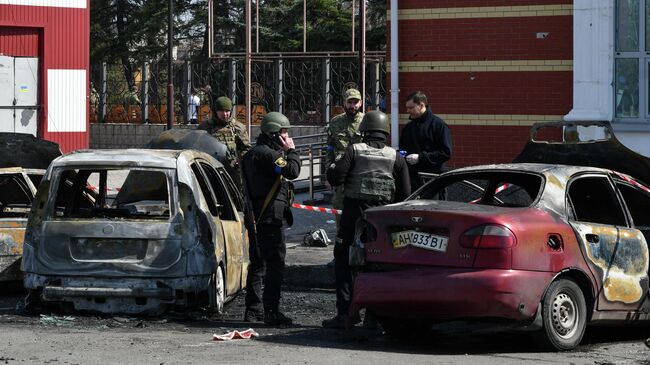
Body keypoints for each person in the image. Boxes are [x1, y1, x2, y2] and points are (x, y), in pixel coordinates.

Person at [322, 110, 411, 329]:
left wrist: (333, 167)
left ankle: (345, 314)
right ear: (385, 131)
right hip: (381, 219)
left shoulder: (355, 150)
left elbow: (336, 177)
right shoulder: (395, 156)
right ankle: (375, 315)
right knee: (378, 264)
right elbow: (406, 193)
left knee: (342, 260)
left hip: (353, 214)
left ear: (364, 130)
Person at [241, 112, 300, 326]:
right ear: (274, 133)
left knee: (257, 263)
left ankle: (253, 310)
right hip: (270, 218)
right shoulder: (268, 155)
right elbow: (292, 170)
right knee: (275, 264)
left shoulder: (252, 153)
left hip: (257, 216)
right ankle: (271, 311)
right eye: (284, 132)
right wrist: (291, 150)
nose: (286, 136)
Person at [325, 88, 364, 266]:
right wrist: (328, 175)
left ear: (361, 103)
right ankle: (339, 256)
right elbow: (330, 150)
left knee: (361, 218)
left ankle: (361, 255)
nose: (353, 105)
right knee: (340, 216)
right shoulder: (335, 123)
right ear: (344, 103)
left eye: (356, 102)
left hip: (360, 176)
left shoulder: (367, 121)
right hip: (341, 177)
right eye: (350, 102)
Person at [399, 91, 452, 192]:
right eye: (407, 107)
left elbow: (446, 153)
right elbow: (403, 150)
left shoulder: (438, 125)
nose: (407, 111)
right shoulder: (408, 128)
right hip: (412, 180)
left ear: (421, 105)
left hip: (433, 180)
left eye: (411, 107)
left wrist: (421, 157)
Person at [198, 96, 251, 189]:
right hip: (211, 168)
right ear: (215, 111)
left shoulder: (237, 127)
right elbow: (197, 146)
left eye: (227, 111)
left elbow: (246, 148)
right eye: (221, 111)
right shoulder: (205, 127)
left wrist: (240, 160)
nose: (225, 114)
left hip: (232, 169)